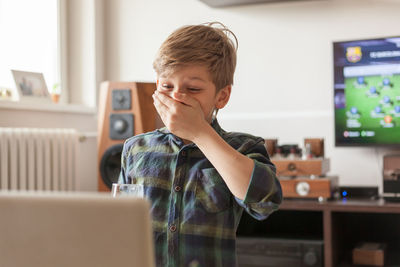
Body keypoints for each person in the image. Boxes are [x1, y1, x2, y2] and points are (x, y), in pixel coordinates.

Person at [118, 22, 282, 267]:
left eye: (192, 89)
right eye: (166, 86)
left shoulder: (243, 148)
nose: (176, 98)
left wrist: (200, 133)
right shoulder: (135, 149)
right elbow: (121, 226)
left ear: (222, 96)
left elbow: (265, 202)